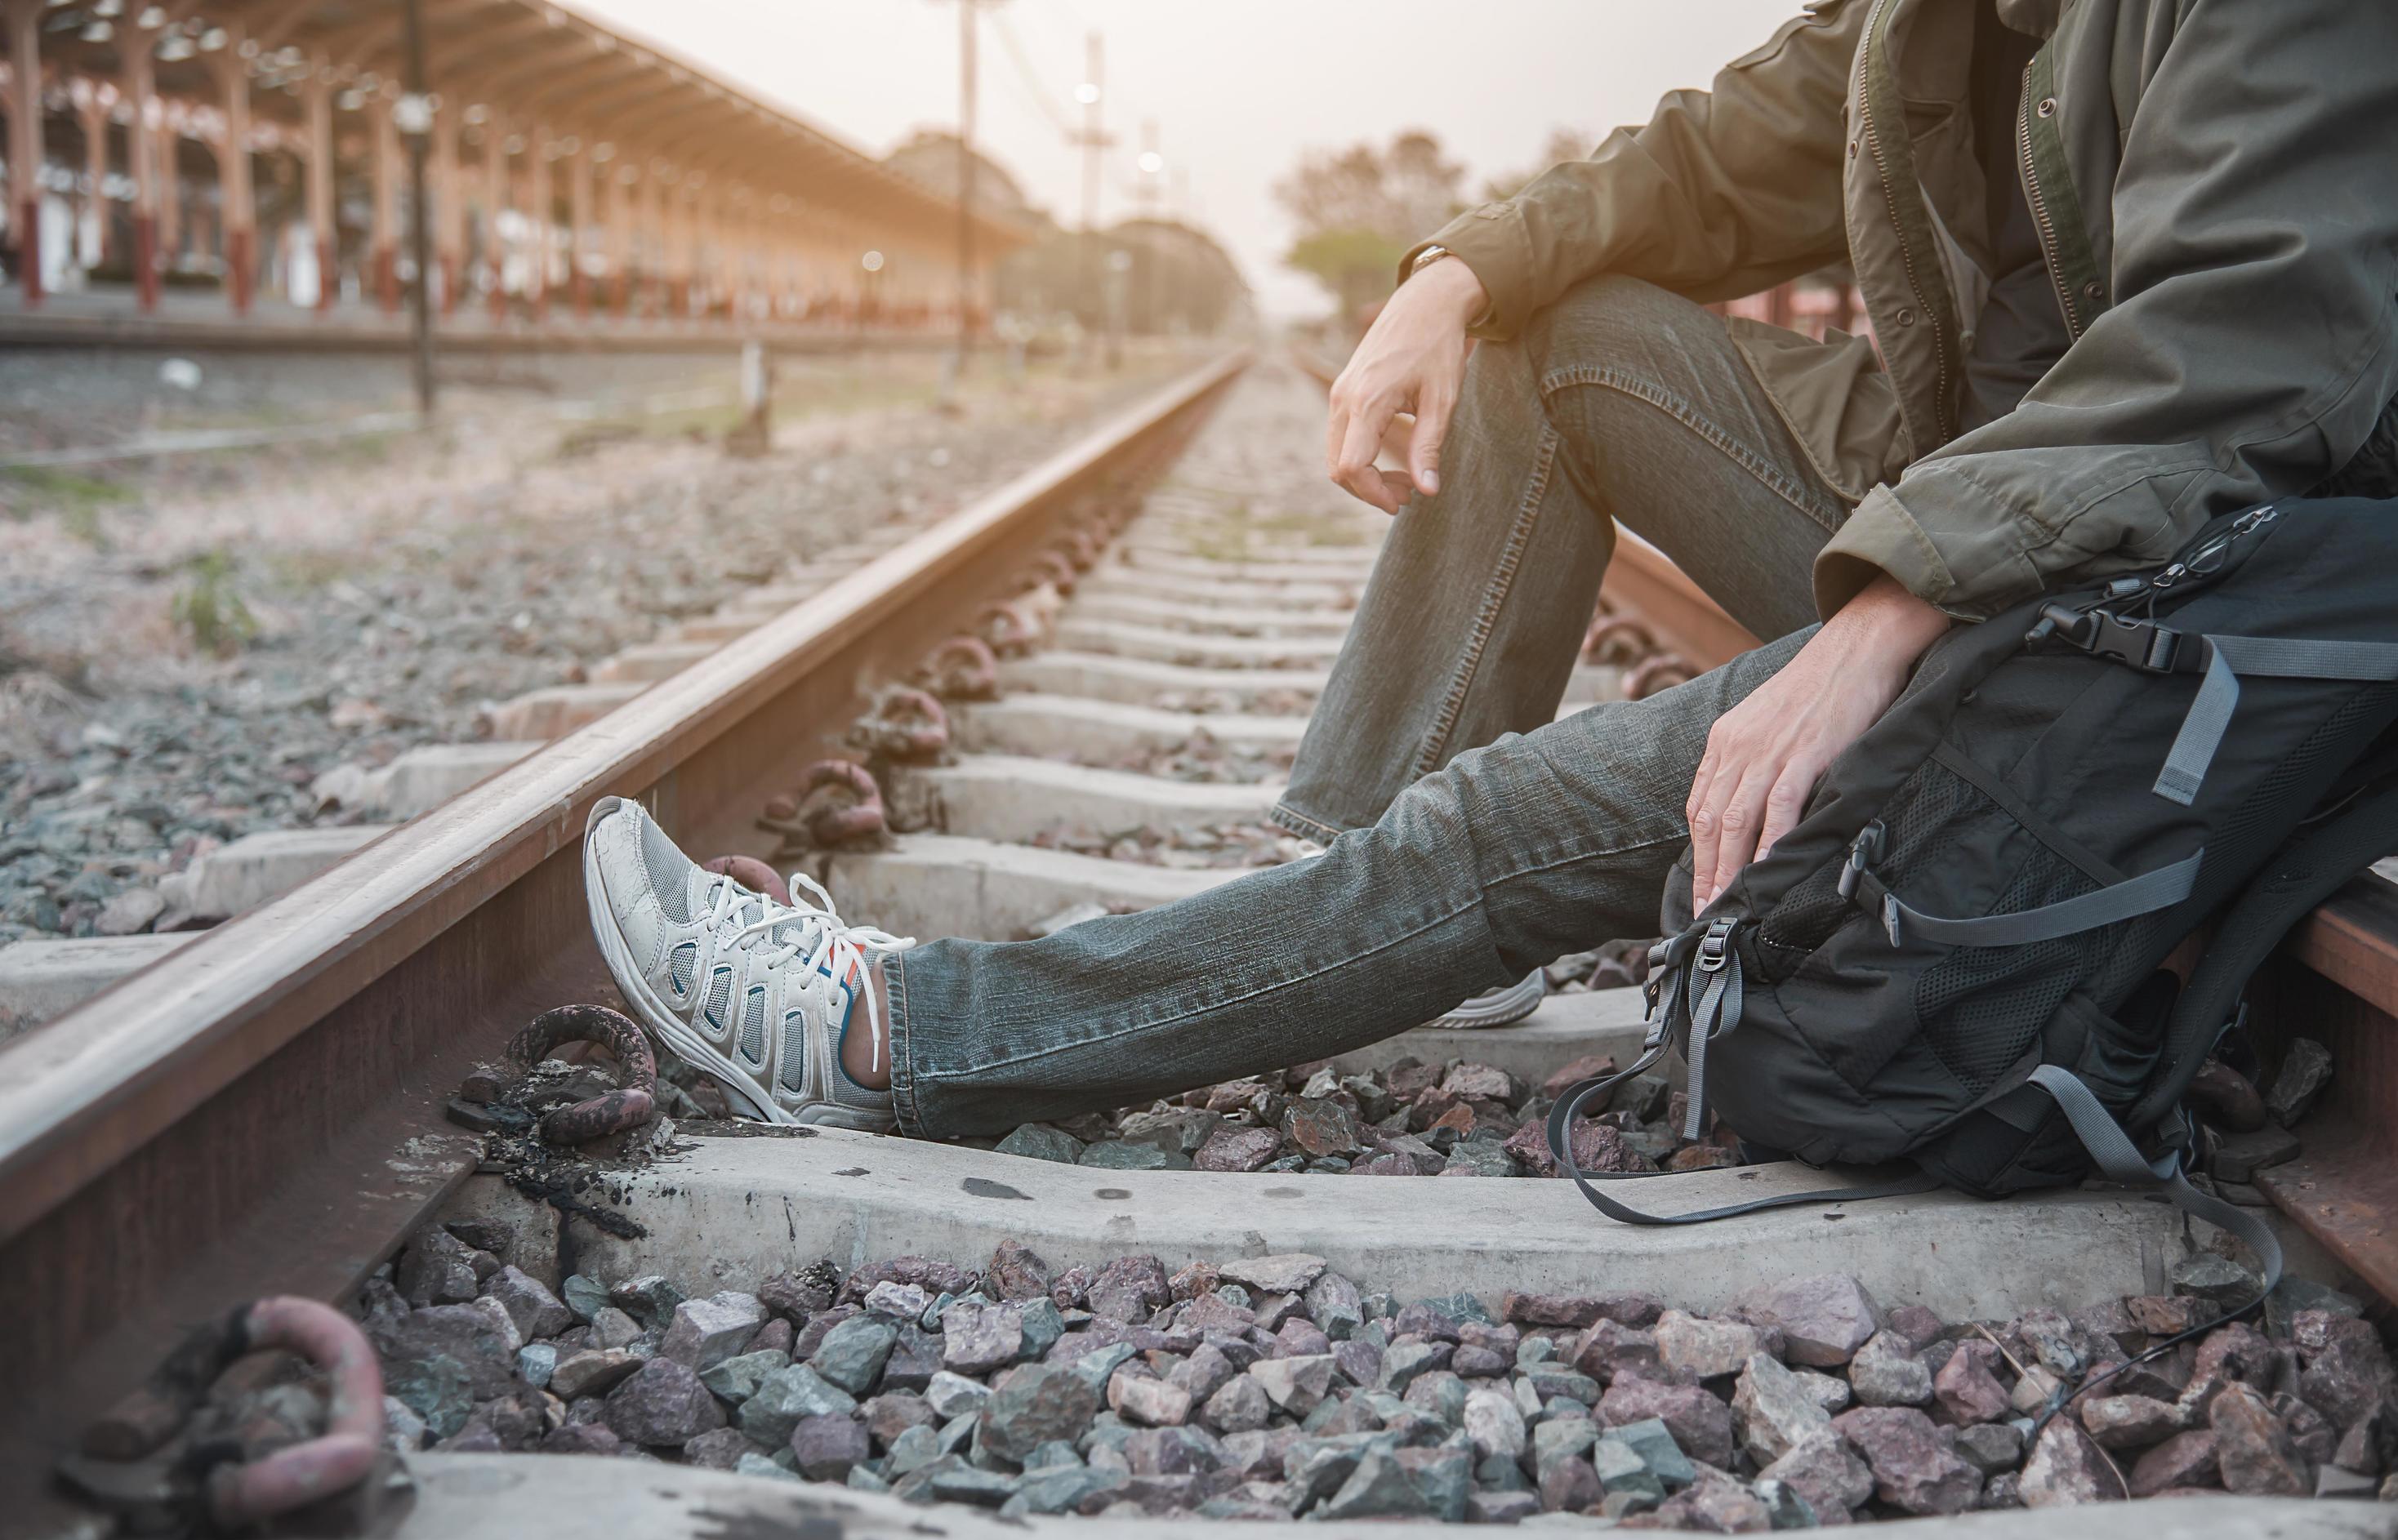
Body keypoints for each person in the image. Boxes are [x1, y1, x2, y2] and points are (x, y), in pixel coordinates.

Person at [584, 0, 2398, 1137]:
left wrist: (1885, 614)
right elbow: (1697, 160)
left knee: (1512, 823)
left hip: (2186, 598)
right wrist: (1447, 277)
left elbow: (2245, 351)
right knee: (1551, 328)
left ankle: (905, 1033)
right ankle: (1359, 894)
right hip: (2015, 540)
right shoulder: (1933, 20)